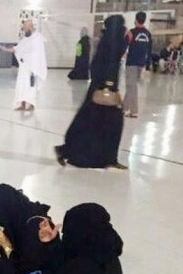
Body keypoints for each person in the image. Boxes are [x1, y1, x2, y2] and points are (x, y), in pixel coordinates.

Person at [54, 15, 128, 170]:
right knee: (92, 124)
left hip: (105, 88)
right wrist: (108, 83)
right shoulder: (109, 42)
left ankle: (109, 158)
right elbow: (101, 65)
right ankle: (66, 150)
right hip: (102, 90)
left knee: (103, 125)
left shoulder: (110, 40)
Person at [0, 19, 47, 111]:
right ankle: (22, 104)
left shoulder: (37, 38)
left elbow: (38, 55)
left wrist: (34, 67)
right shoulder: (25, 39)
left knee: (30, 87)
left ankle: (30, 105)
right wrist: (5, 49)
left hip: (32, 68)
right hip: (23, 67)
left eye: (25, 27)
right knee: (21, 86)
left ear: (31, 27)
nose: (23, 29)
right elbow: (18, 49)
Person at [123, 11, 152, 119]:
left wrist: (121, 55)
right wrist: (148, 66)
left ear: (136, 20)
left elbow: (124, 45)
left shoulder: (131, 33)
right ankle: (124, 108)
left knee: (132, 86)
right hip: (141, 64)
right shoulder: (148, 34)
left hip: (131, 63)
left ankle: (134, 111)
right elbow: (149, 51)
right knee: (131, 86)